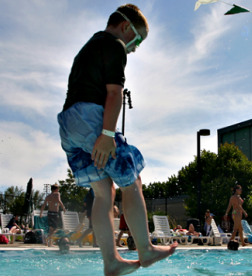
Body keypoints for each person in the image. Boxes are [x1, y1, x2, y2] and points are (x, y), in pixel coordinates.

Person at [56, 4, 176, 274]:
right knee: (131, 180)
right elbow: (113, 93)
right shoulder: (114, 45)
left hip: (68, 124)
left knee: (103, 192)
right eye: (138, 40)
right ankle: (145, 249)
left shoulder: (89, 46)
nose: (135, 47)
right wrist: (108, 134)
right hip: (91, 118)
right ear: (125, 28)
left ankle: (111, 261)